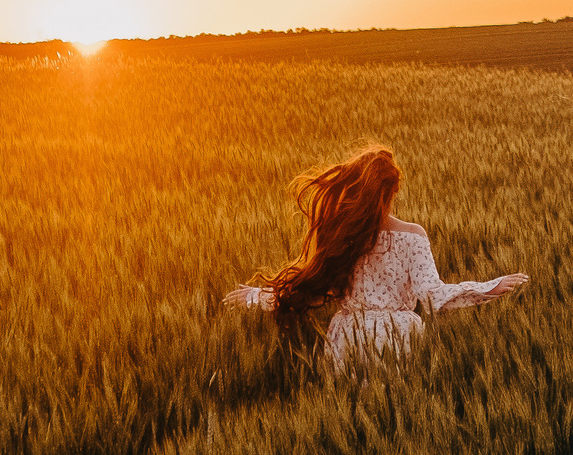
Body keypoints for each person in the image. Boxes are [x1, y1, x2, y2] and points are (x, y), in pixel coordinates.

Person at [223, 143, 528, 368]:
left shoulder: (342, 235)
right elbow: (433, 297)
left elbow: (313, 287)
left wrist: (257, 295)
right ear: (393, 191)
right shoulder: (412, 235)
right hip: (398, 338)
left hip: (348, 337)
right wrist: (489, 287)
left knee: (349, 410)